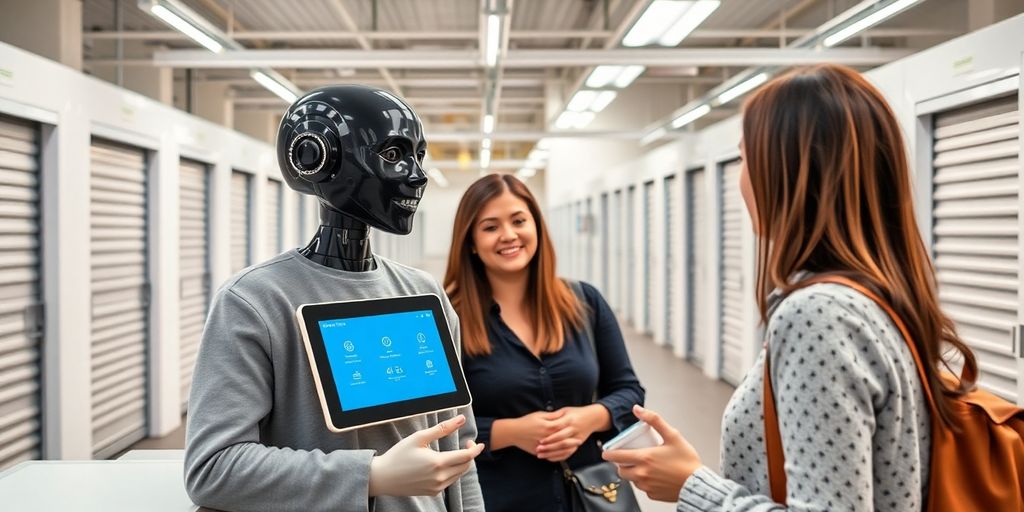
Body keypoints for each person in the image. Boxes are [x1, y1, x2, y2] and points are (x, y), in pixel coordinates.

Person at [603, 64, 981, 510]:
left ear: (788, 171)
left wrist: (692, 486)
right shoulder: (878, 297)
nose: (741, 178)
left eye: (744, 159)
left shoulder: (819, 315)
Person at [184, 85, 485, 512]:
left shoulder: (423, 292)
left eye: (419, 155)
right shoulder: (254, 301)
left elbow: (459, 443)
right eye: (394, 154)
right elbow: (213, 468)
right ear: (316, 157)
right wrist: (371, 476)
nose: (417, 175)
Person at [443, 174, 645, 512]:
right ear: (471, 242)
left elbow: (630, 392)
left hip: (590, 496)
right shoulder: (448, 318)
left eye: (519, 221)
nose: (509, 235)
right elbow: (436, 427)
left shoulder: (584, 302)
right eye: (490, 227)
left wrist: (590, 418)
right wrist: (510, 431)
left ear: (536, 226)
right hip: (499, 500)